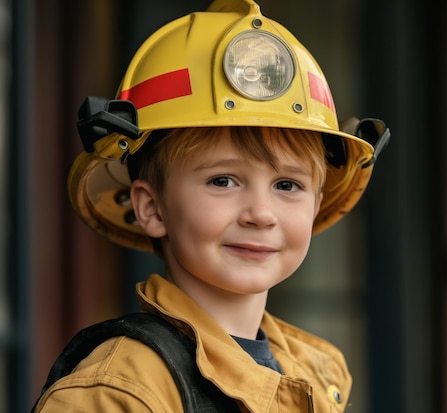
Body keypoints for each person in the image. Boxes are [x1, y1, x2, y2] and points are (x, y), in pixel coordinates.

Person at [33, 0, 389, 412]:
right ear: (152, 208)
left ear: (315, 206)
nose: (261, 213)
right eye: (223, 181)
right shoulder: (116, 393)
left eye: (287, 185)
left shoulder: (318, 373)